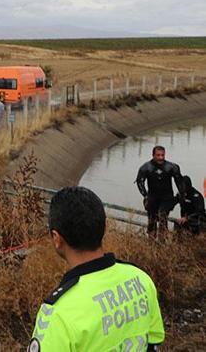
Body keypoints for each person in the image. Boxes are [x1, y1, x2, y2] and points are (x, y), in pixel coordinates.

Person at [30, 186, 164, 351]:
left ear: (57, 238)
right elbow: (154, 341)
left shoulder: (57, 313)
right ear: (104, 227)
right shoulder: (140, 279)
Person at [135, 146, 183, 235]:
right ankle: (152, 242)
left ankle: (162, 242)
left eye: (162, 155)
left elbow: (180, 183)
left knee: (162, 216)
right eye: (158, 155)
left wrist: (179, 196)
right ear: (153, 155)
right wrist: (145, 196)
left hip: (167, 197)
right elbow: (140, 182)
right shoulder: (146, 167)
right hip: (152, 197)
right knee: (152, 221)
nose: (161, 157)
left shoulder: (172, 167)